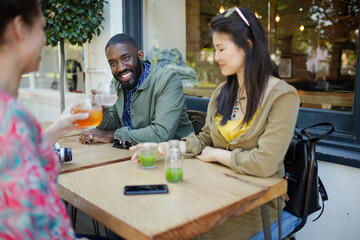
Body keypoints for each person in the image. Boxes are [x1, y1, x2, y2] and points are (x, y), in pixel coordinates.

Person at [131, 6, 300, 240]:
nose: (216, 57)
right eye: (215, 49)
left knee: (187, 230)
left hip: (255, 205)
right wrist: (167, 148)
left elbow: (264, 164)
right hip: (216, 191)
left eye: (221, 49)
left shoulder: (282, 96)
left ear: (248, 46)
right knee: (160, 217)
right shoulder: (223, 91)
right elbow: (205, 139)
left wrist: (216, 155)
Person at [0, 1, 105, 239]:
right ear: (20, 29)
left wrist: (59, 126)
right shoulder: (12, 120)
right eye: (42, 29)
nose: (45, 40)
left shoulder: (12, 116)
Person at [79, 34, 194, 145]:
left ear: (140, 56)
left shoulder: (168, 81)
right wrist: (102, 112)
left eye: (125, 58)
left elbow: (161, 134)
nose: (120, 68)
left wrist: (112, 135)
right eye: (113, 63)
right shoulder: (117, 82)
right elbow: (112, 123)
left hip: (176, 156)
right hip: (135, 153)